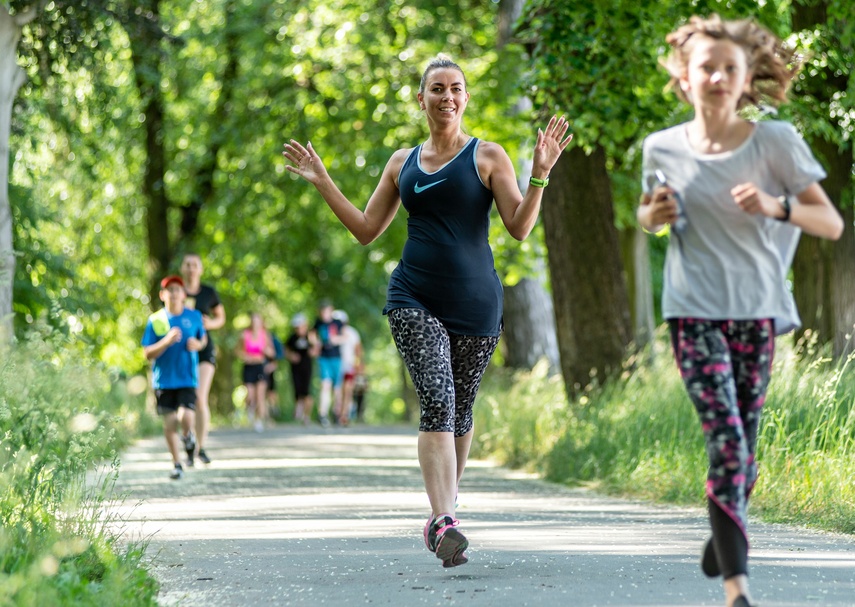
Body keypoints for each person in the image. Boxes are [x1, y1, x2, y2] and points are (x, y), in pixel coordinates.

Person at [283, 54, 571, 568]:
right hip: (413, 297)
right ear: (421, 99)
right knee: (438, 399)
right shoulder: (403, 163)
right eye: (436, 88)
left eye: (455, 88)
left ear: (466, 97)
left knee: (460, 411)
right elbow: (367, 229)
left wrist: (540, 176)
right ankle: (443, 522)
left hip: (477, 305)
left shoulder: (488, 156)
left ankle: (447, 510)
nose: (447, 97)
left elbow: (520, 227)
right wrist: (324, 180)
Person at [637, 15, 843, 607]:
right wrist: (657, 215)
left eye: (731, 67)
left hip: (756, 312)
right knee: (726, 440)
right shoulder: (661, 147)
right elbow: (646, 217)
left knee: (744, 455)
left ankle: (725, 530)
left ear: (748, 76)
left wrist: (778, 207)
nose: (719, 76)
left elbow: (829, 223)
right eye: (707, 66)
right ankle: (737, 589)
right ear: (683, 76)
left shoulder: (774, 141)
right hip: (692, 312)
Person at [141, 275, 207, 480]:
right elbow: (147, 353)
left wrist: (199, 345)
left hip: (187, 377)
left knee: (185, 417)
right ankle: (176, 463)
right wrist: (166, 341)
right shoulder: (156, 320)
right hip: (164, 380)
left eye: (178, 289)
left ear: (184, 294)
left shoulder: (194, 316)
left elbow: (202, 338)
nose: (174, 293)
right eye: (170, 289)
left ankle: (189, 438)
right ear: (163, 295)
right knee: (170, 424)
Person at [180, 253, 226, 465]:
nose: (191, 268)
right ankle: (188, 442)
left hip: (205, 349)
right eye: (188, 265)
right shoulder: (176, 290)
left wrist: (209, 324)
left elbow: (221, 318)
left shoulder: (208, 292)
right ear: (183, 268)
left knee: (200, 398)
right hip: (180, 350)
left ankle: (200, 446)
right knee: (185, 399)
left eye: (195, 265)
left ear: (201, 269)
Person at [238, 312, 276, 432]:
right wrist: (245, 356)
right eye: (254, 321)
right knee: (250, 396)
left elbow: (272, 353)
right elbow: (238, 351)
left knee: (260, 396)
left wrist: (266, 351)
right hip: (249, 367)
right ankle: (250, 409)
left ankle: (258, 420)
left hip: (261, 367)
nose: (256, 324)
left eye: (258, 321)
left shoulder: (265, 335)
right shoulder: (245, 335)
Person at [310, 300, 344, 428]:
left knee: (337, 388)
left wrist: (336, 340)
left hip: (336, 358)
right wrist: (315, 343)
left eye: (327, 311)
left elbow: (344, 336)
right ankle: (322, 414)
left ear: (331, 310)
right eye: (322, 311)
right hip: (323, 358)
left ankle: (337, 413)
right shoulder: (318, 323)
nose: (324, 314)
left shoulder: (338, 323)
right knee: (325, 384)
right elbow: (312, 335)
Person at [285, 312, 316, 425]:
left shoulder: (310, 336)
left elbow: (316, 349)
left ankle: (306, 416)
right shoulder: (292, 338)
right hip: (295, 368)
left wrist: (313, 344)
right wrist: (291, 356)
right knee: (297, 390)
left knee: (307, 391)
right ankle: (299, 410)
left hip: (307, 367)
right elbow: (286, 351)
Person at [333, 309, 363, 424]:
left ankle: (344, 414)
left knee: (348, 390)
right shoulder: (333, 333)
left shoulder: (352, 333)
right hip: (336, 365)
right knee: (337, 390)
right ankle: (337, 412)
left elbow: (358, 350)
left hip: (349, 365)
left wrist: (358, 365)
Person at [264, 331, 285, 420]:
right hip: (257, 367)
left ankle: (273, 408)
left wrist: (274, 364)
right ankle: (264, 414)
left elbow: (279, 354)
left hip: (270, 368)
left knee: (270, 390)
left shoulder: (273, 338)